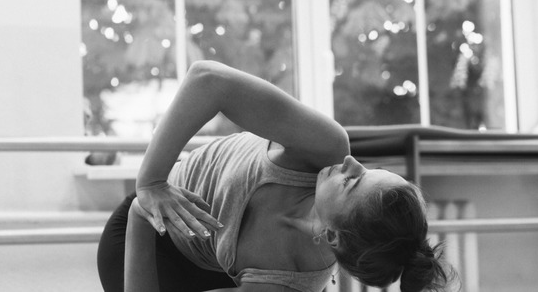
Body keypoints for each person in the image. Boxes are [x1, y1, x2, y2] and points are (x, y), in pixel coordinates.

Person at [97, 61, 450, 292]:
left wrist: (143, 214)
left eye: (350, 182)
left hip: (180, 247)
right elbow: (208, 80)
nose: (350, 162)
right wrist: (151, 184)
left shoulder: (287, 285)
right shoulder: (326, 147)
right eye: (368, 170)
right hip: (149, 218)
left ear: (332, 235)